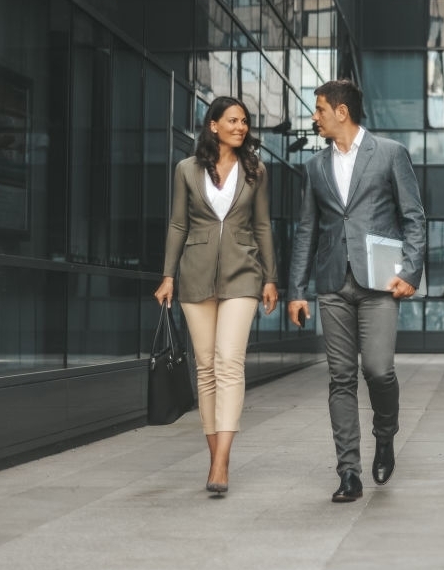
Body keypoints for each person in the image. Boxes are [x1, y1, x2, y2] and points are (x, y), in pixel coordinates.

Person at [288, 79, 426, 503]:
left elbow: (414, 218)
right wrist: (296, 289)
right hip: (332, 283)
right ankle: (348, 471)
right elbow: (307, 230)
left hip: (380, 283)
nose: (315, 117)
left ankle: (385, 434)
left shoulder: (389, 154)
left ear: (341, 112)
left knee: (379, 370)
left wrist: (411, 272)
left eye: (320, 109)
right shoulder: (314, 167)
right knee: (341, 378)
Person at [154, 96, 278, 495]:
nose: (240, 127)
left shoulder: (256, 170)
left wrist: (270, 279)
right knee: (205, 367)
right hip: (195, 275)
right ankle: (214, 458)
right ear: (213, 126)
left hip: (243, 275)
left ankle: (222, 461)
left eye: (244, 121)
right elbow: (177, 224)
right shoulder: (186, 170)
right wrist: (168, 275)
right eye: (232, 121)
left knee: (229, 362)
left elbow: (262, 227)